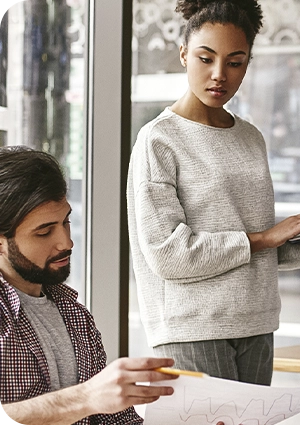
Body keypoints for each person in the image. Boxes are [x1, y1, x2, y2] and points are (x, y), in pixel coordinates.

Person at [127, 0, 300, 386]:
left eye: (235, 62)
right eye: (206, 58)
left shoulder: (250, 137)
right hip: (193, 326)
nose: (219, 75)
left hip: (257, 319)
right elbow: (167, 255)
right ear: (183, 54)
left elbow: (252, 245)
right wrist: (267, 236)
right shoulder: (159, 140)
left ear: (248, 64)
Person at [0, 146, 178, 425]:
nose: (66, 243)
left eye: (66, 222)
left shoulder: (74, 315)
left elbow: (118, 422)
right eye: (44, 231)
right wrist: (85, 398)